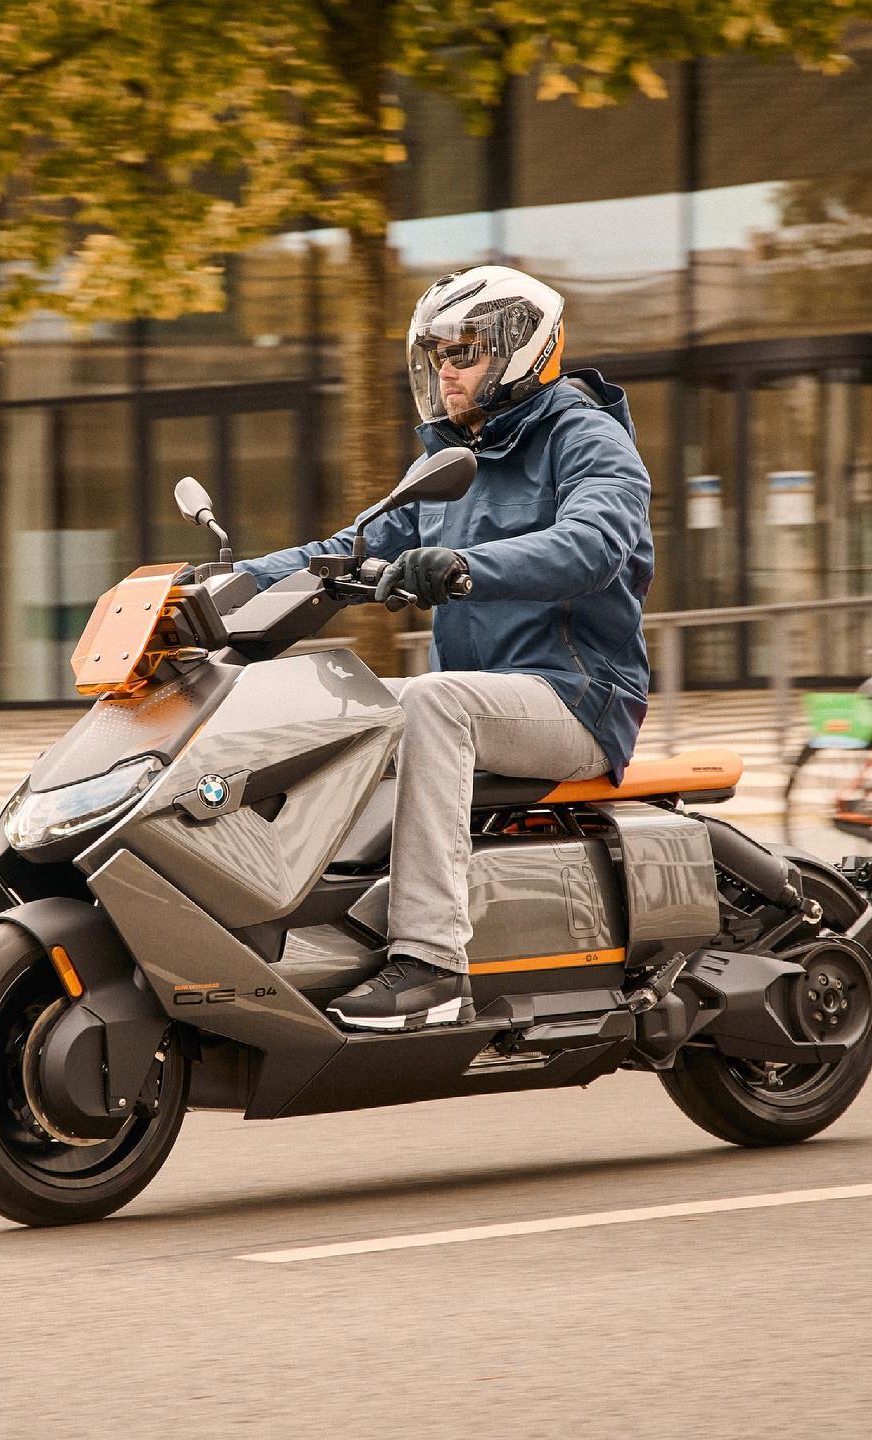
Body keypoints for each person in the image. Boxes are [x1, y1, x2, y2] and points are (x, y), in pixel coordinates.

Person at [237, 265, 653, 1031]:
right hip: (484, 699)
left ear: (518, 350)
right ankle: (291, 914)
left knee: (433, 699)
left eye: (460, 354)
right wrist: (225, 582)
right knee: (327, 699)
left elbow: (591, 545)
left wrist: (465, 568)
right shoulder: (446, 462)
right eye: (435, 358)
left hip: (577, 696)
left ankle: (430, 964)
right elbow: (344, 548)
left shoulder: (588, 438)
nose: (444, 372)